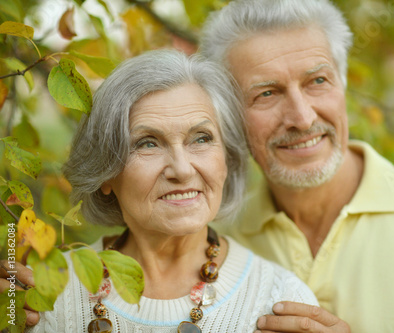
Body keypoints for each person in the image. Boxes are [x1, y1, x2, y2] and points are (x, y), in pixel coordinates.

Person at [197, 0, 394, 332]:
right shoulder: (212, 244)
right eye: (267, 93)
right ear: (230, 116)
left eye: (317, 81)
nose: (302, 117)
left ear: (342, 86)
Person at [7, 49, 318, 332]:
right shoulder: (41, 295)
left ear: (227, 159)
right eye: (147, 143)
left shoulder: (278, 301)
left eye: (201, 138)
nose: (182, 170)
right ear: (105, 173)